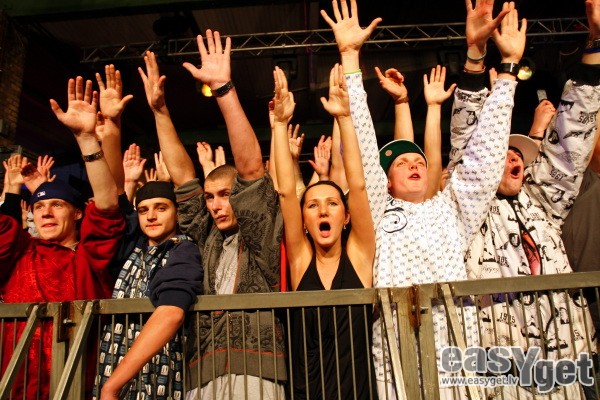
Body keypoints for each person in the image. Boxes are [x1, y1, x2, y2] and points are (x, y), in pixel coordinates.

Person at [321, 0, 522, 398]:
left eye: (419, 161)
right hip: (397, 352)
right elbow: (363, 150)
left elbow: (485, 157)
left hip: (454, 349)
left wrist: (509, 71)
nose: (413, 164)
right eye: (401, 163)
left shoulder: (451, 209)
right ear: (387, 182)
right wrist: (350, 59)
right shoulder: (379, 211)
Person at [462, 0, 600, 397]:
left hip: (567, 360)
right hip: (505, 369)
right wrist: (476, 54)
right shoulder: (468, 210)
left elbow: (572, 136)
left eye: (518, 156)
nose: (513, 159)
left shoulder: (542, 202)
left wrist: (596, 40)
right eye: (502, 155)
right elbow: (464, 142)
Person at [138, 35, 286, 397]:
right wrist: (160, 111)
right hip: (202, 370)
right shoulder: (207, 239)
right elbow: (183, 178)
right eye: (210, 198)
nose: (217, 204)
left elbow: (250, 170)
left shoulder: (261, 231)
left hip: (256, 368)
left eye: (226, 195)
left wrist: (223, 90)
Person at [0, 76, 125, 399]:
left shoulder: (88, 256)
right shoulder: (21, 252)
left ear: (78, 213)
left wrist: (87, 139)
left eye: (57, 205)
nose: (46, 213)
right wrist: (11, 191)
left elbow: (108, 205)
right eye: (39, 207)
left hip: (75, 384)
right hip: (17, 387)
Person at [273, 64, 377, 398]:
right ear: (303, 222)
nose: (322, 210)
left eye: (332, 203)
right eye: (313, 205)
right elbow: (286, 193)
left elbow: (357, 186)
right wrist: (279, 125)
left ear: (346, 217)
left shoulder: (359, 255)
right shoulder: (301, 260)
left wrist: (345, 117)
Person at [96, 181, 203, 400]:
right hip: (116, 366)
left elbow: (171, 313)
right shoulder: (133, 251)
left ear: (177, 213)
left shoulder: (183, 249)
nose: (151, 216)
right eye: (143, 210)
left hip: (159, 376)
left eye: (161, 208)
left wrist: (111, 387)